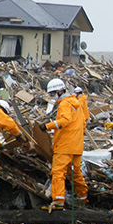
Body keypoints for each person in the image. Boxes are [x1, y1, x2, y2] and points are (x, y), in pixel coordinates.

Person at [39, 78, 87, 211]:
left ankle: (58, 200)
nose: (52, 98)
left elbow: (64, 121)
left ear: (60, 92)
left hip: (65, 145)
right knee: (76, 173)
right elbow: (83, 123)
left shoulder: (65, 104)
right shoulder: (77, 104)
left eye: (53, 94)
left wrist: (46, 126)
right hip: (76, 146)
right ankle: (83, 199)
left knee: (58, 172)